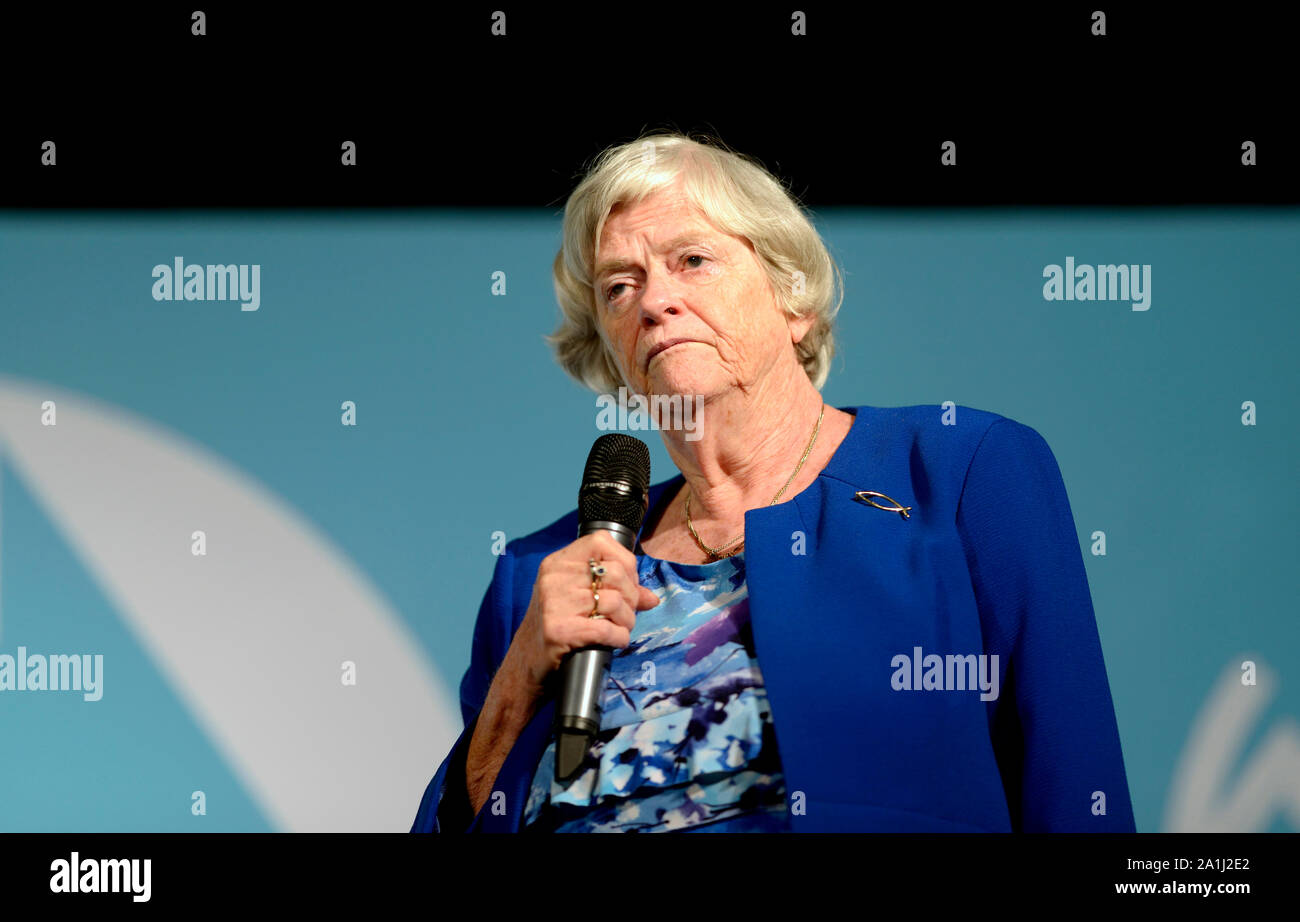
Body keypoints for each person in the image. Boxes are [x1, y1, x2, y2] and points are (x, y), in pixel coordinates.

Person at [411, 132, 1136, 833]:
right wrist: (517, 680)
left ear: (795, 302)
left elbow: (1074, 786)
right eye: (619, 286)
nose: (654, 301)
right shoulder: (538, 575)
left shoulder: (962, 472)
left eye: (692, 259)